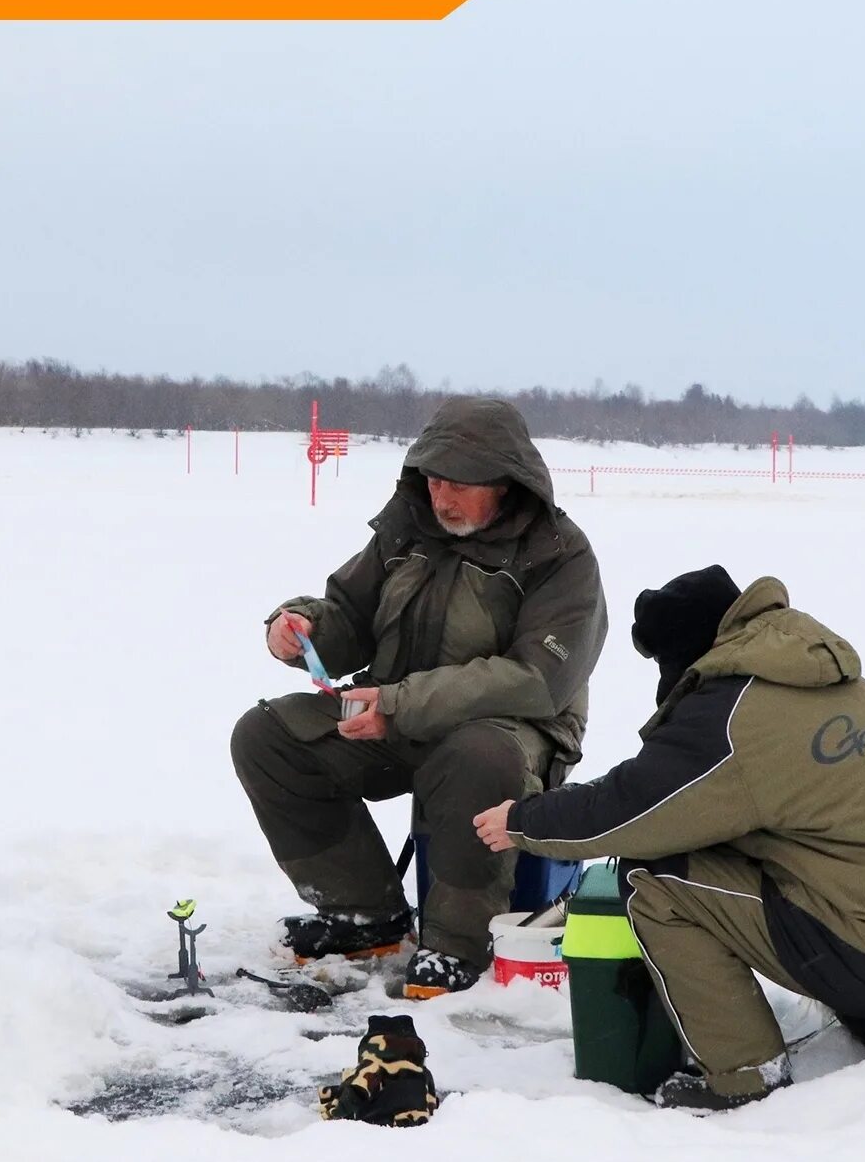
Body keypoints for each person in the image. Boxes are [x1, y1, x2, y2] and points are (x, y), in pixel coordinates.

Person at [476, 566, 865, 1112]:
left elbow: (629, 807)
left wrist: (523, 821)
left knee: (650, 875)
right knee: (768, 855)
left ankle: (747, 1074)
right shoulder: (829, 679)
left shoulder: (732, 711)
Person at [232, 397, 607, 998]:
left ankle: (460, 943)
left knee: (477, 755)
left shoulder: (560, 555)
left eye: (459, 483)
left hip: (513, 734)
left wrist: (399, 705)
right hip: (395, 716)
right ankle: (365, 918)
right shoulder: (408, 528)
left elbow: (537, 679)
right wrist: (299, 628)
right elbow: (349, 617)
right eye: (433, 479)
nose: (442, 497)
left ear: (507, 483)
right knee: (269, 737)